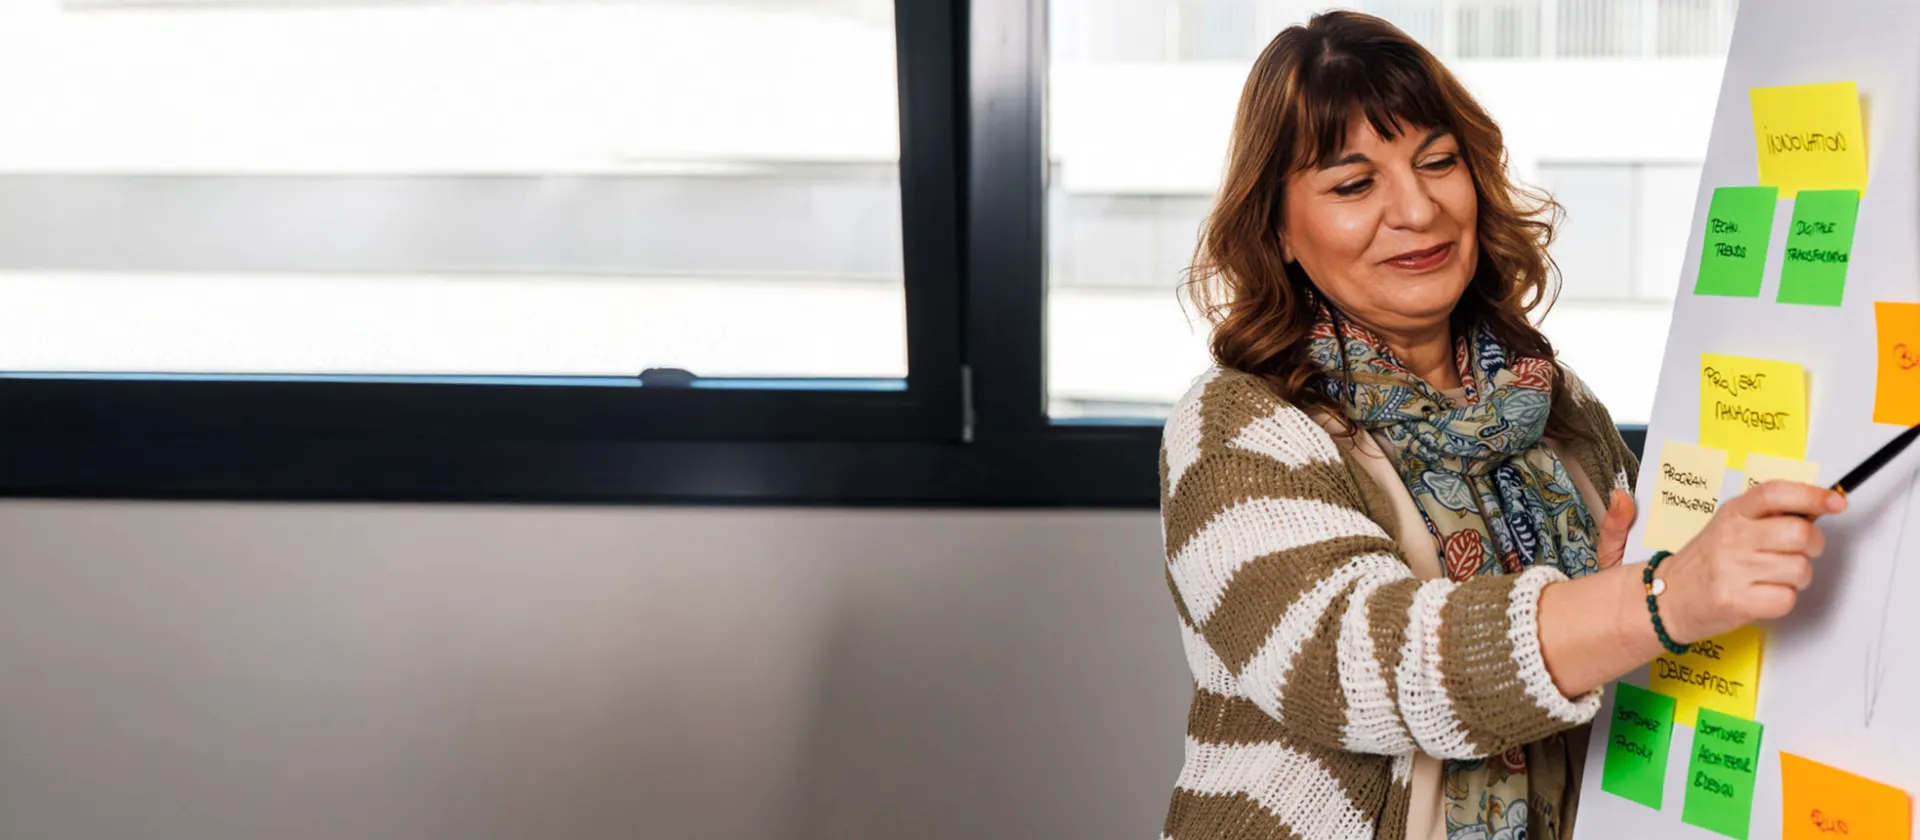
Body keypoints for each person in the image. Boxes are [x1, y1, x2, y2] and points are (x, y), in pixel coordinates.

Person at [1157, 11, 1842, 840]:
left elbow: (1615, 681)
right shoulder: (1236, 426)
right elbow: (1362, 670)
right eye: (1353, 184)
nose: (1417, 208)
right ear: (1279, 232)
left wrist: (1627, 590)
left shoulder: (1556, 401)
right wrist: (1653, 601)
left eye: (1438, 162)